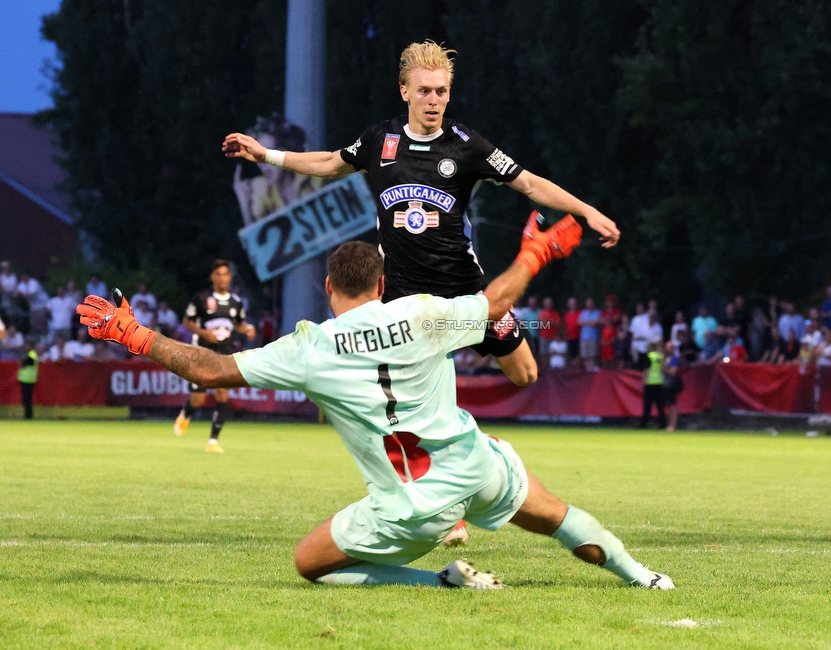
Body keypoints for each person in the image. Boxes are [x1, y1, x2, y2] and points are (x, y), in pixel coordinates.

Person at [77, 219, 674, 591]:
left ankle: (438, 580)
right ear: (383, 285)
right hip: (475, 465)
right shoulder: (423, 312)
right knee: (557, 516)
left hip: (411, 505)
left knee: (308, 563)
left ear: (329, 289)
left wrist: (137, 337)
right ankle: (643, 576)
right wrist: (536, 256)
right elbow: (496, 304)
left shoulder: (312, 345)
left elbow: (210, 370)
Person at [223, 40, 619, 390]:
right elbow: (329, 162)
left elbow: (529, 183)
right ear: (405, 92)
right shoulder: (381, 139)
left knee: (525, 373)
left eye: (441, 92)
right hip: (400, 294)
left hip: (465, 290)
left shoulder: (467, 145)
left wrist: (587, 212)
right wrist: (266, 154)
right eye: (425, 91)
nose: (433, 100)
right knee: (403, 387)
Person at [173, 260, 256, 453]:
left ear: (230, 277)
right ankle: (187, 413)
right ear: (212, 277)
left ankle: (213, 441)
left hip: (225, 351)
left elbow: (239, 324)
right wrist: (203, 333)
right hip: (202, 352)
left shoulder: (236, 301)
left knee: (222, 393)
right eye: (218, 274)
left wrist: (248, 329)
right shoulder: (201, 298)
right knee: (198, 400)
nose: (222, 278)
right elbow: (187, 321)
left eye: (225, 274)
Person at [639, 343, 666, 429]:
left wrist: (643, 384)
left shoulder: (649, 357)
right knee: (660, 406)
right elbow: (663, 368)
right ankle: (663, 424)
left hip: (650, 383)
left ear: (650, 348)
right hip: (659, 383)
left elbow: (646, 371)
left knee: (647, 406)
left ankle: (644, 425)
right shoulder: (661, 356)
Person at [536, 297, 561, 369]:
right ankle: (545, 369)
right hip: (543, 336)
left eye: (550, 303)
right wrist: (551, 322)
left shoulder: (555, 313)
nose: (548, 304)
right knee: (544, 354)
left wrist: (546, 322)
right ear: (544, 304)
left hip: (553, 337)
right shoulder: (542, 313)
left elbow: (557, 324)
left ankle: (552, 369)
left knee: (553, 354)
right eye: (547, 303)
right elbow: (540, 324)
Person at [18, 340, 38, 419]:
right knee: (26, 398)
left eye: (27, 345)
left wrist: (23, 363)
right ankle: (27, 414)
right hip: (25, 379)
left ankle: (28, 415)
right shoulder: (27, 354)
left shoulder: (32, 353)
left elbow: (30, 361)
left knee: (28, 398)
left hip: (29, 379)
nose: (25, 347)